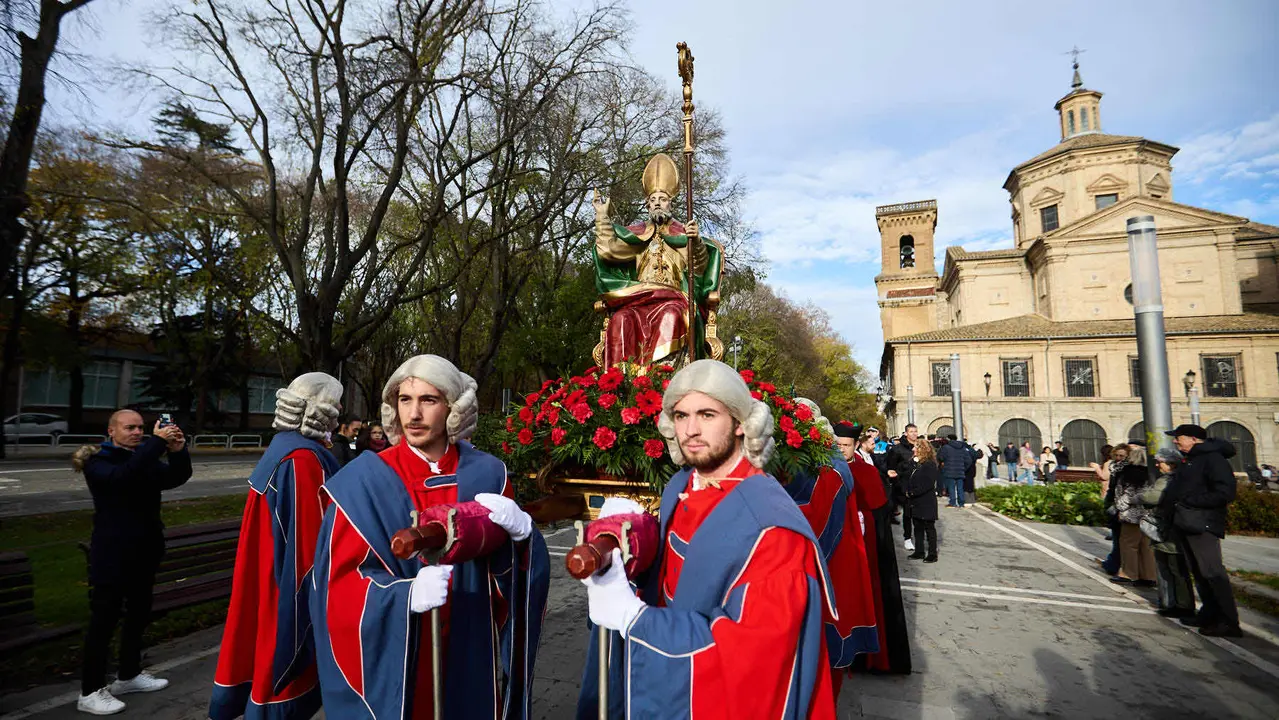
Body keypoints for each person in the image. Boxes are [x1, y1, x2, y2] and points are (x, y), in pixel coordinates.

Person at [577, 360, 838, 719]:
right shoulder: (681, 484)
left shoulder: (773, 529)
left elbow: (756, 660)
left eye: (707, 414)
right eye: (681, 415)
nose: (691, 429)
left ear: (741, 423)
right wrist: (627, 541)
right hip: (666, 687)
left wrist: (636, 619)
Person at [311, 355, 550, 718]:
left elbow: (513, 583)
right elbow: (336, 587)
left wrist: (523, 540)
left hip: (471, 647)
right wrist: (402, 597)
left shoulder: (488, 474)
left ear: (452, 407)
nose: (414, 414)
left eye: (429, 400)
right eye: (405, 400)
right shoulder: (362, 482)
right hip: (404, 660)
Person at [210, 373, 344, 720]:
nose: (340, 410)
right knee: (279, 661)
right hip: (284, 581)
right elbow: (307, 546)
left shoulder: (286, 447)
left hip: (269, 568)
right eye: (336, 402)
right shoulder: (302, 459)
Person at [72, 410, 191, 715]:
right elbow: (122, 478)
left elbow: (175, 477)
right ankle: (90, 691)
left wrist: (178, 451)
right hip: (112, 553)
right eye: (130, 428)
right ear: (111, 431)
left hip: (145, 550)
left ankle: (128, 675)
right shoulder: (98, 461)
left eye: (140, 427)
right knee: (104, 620)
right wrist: (156, 444)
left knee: (138, 615)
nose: (138, 432)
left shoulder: (142, 458)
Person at [592, 153, 723, 365]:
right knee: (620, 319)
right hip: (639, 298)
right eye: (653, 200)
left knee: (672, 315)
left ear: (670, 204)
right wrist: (601, 217)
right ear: (647, 206)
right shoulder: (637, 236)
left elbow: (698, 267)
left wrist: (696, 241)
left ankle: (664, 376)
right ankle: (623, 379)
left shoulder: (683, 234)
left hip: (674, 298)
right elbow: (608, 251)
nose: (657, 204)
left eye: (662, 199)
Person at [842, 428, 912, 675]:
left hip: (865, 546)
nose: (841, 449)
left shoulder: (867, 472)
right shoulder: (824, 471)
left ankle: (868, 656)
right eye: (837, 444)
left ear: (855, 445)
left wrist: (861, 519)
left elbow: (880, 511)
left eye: (846, 445)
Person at [1163, 424, 1242, 638]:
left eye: (1179, 437)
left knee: (1212, 572)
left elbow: (1225, 492)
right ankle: (1209, 614)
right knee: (1199, 572)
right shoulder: (1191, 459)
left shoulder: (1213, 459)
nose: (1175, 441)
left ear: (1193, 439)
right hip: (1187, 522)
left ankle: (1228, 621)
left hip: (1202, 523)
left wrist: (1189, 502)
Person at [1142, 448, 1196, 617]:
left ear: (1172, 464)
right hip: (1170, 527)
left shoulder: (1168, 480)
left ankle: (1181, 605)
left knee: (1174, 568)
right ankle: (1174, 603)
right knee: (1171, 568)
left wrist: (1141, 496)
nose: (1157, 465)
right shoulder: (1177, 478)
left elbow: (1152, 498)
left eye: (1160, 462)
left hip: (1169, 529)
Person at [1108, 447, 1155, 587]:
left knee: (1129, 545)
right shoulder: (1153, 474)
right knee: (1146, 546)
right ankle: (1149, 576)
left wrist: (1119, 508)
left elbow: (1122, 495)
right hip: (1148, 516)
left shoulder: (1127, 474)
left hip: (1130, 516)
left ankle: (1128, 574)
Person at [903, 439, 940, 562]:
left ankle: (932, 553)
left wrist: (913, 492)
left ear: (922, 449)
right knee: (917, 527)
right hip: (915, 502)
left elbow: (928, 483)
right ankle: (919, 551)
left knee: (929, 528)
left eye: (916, 447)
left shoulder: (930, 464)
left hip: (925, 501)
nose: (913, 449)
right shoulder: (915, 463)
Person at [887, 424, 920, 550]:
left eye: (915, 431)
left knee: (919, 513)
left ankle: (920, 537)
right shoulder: (897, 449)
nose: (914, 434)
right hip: (903, 486)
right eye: (911, 431)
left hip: (919, 485)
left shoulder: (920, 446)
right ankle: (907, 538)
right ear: (906, 433)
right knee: (908, 513)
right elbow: (891, 466)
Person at [936, 433, 972, 508]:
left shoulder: (945, 447)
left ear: (948, 439)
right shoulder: (962, 447)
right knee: (960, 487)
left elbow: (940, 457)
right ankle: (961, 503)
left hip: (949, 470)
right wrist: (964, 468)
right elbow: (968, 460)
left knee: (951, 487)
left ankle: (952, 503)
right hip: (960, 471)